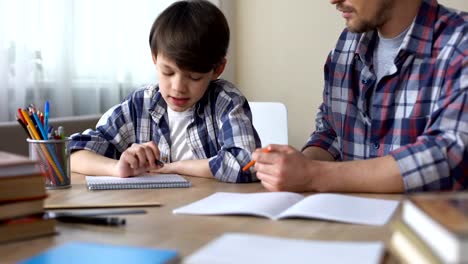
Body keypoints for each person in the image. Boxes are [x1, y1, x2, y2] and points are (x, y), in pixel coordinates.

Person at [253, 0, 467, 193]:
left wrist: (312, 175)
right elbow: (331, 132)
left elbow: (450, 156)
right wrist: (294, 168)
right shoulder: (348, 44)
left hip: (421, 230)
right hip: (348, 226)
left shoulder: (460, 43)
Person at [69, 0, 260, 183]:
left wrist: (175, 167)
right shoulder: (140, 105)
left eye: (194, 77)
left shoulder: (225, 102)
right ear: (154, 58)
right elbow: (72, 152)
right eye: (167, 72)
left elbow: (246, 164)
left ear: (217, 69)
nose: (178, 87)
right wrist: (116, 167)